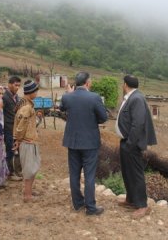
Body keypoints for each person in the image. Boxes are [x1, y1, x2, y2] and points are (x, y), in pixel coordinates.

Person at [60, 72, 108, 216]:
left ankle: (78, 204)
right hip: (89, 142)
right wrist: (93, 121)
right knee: (89, 175)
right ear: (87, 83)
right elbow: (104, 118)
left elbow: (62, 109)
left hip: (72, 142)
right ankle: (91, 208)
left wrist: (69, 93)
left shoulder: (67, 97)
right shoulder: (94, 97)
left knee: (74, 174)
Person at [116, 75, 157, 218]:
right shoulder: (133, 97)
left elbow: (138, 124)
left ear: (125, 84)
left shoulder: (137, 99)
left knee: (136, 174)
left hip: (132, 143)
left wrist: (130, 143)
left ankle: (142, 205)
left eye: (123, 84)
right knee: (128, 172)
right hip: (127, 141)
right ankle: (131, 199)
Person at [13, 80, 42, 202]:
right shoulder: (27, 107)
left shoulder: (27, 106)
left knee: (32, 168)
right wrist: (18, 140)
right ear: (31, 92)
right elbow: (20, 126)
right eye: (36, 91)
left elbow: (27, 124)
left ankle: (28, 191)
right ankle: (27, 196)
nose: (37, 93)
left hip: (30, 141)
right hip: (27, 142)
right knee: (29, 170)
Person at [2, 76, 23, 181]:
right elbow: (1, 112)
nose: (17, 87)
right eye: (16, 85)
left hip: (17, 128)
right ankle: (10, 173)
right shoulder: (4, 97)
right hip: (8, 128)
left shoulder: (17, 97)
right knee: (10, 150)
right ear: (9, 84)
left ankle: (18, 171)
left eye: (19, 85)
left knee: (18, 149)